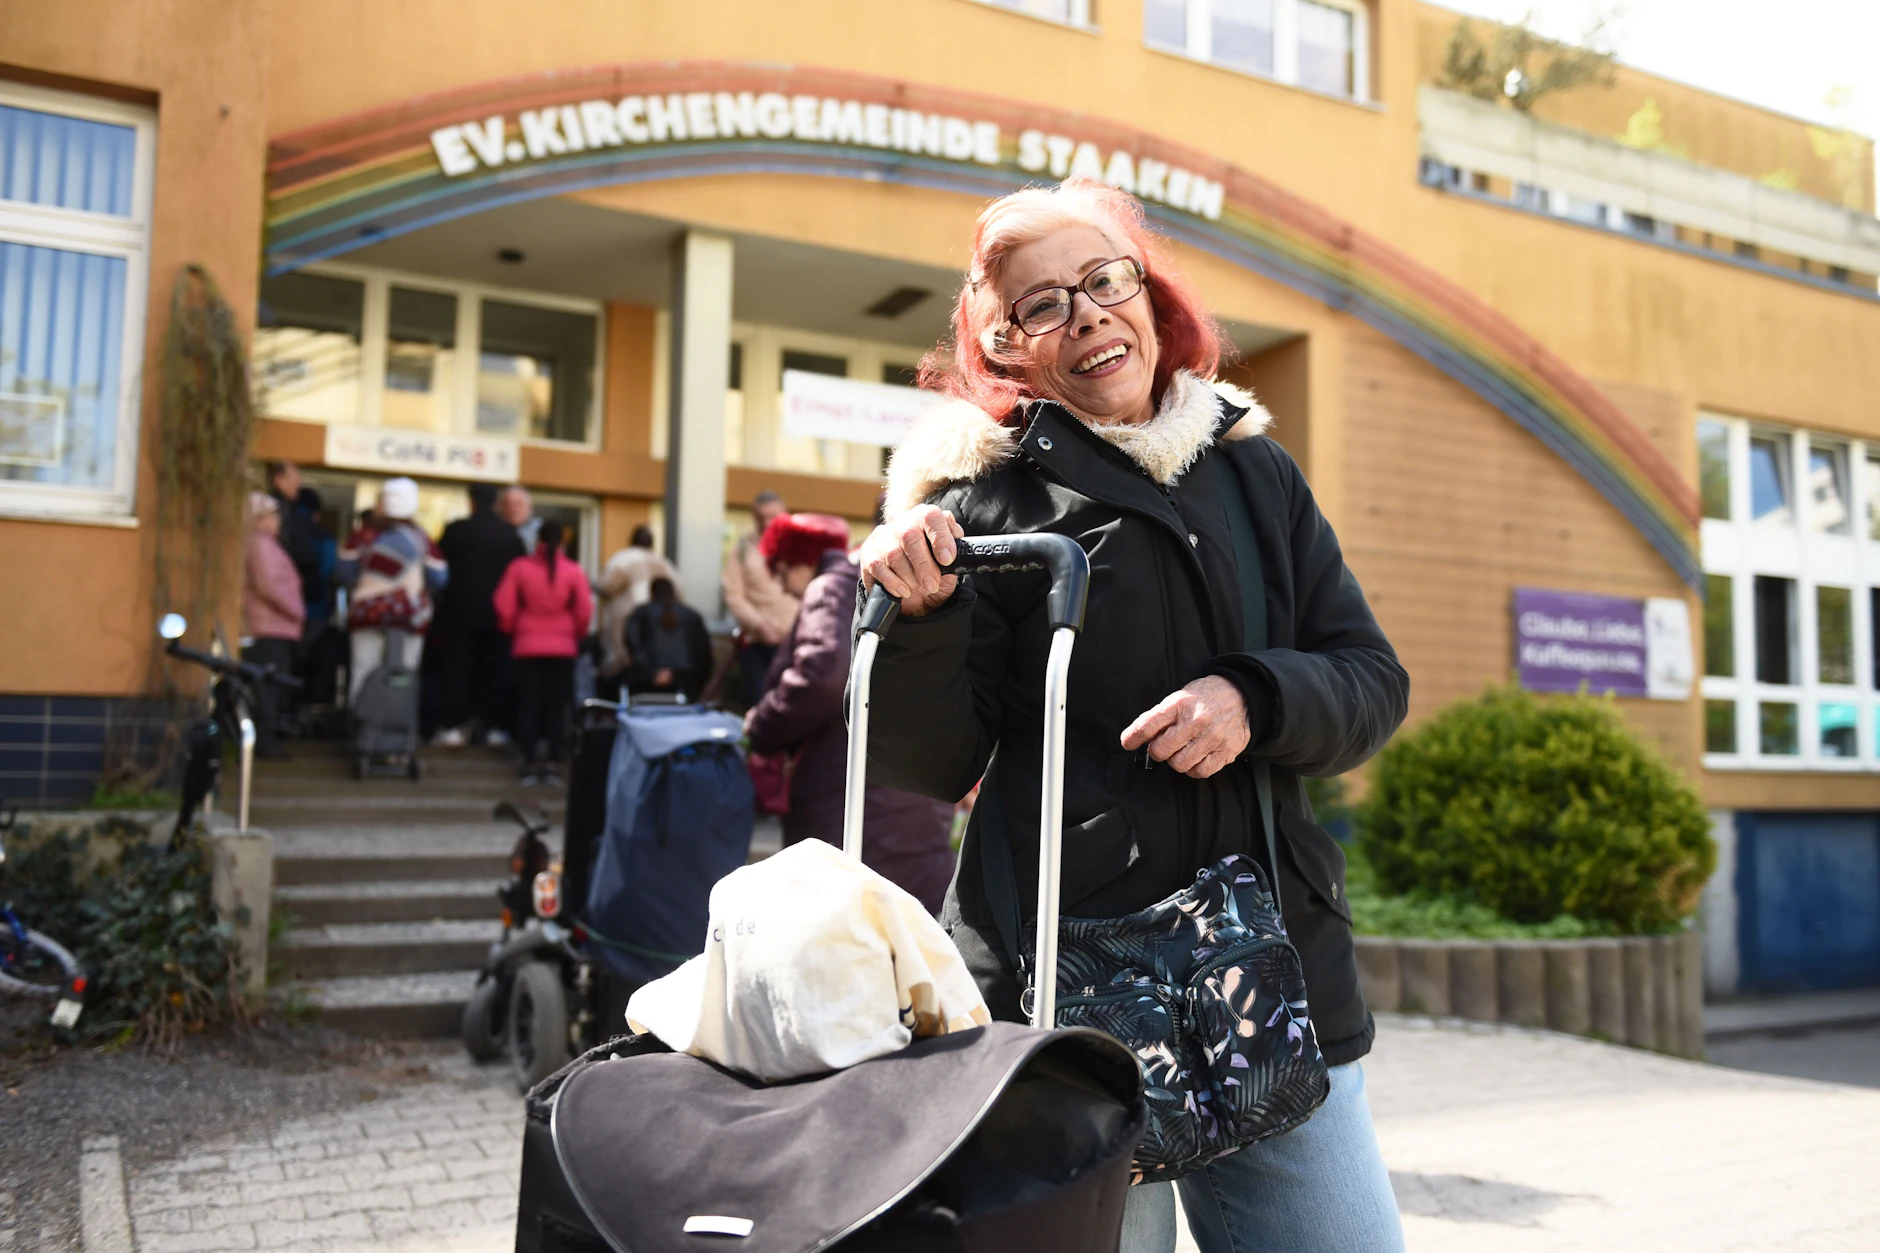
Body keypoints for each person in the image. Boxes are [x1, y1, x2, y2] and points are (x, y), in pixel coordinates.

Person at [855, 177, 1410, 1253]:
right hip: (1064, 1003)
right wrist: (911, 613)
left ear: (1149, 298)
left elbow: (1367, 677)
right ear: (1003, 346)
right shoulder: (973, 504)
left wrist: (1255, 694)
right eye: (1042, 304)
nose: (1088, 315)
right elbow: (928, 760)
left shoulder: (1256, 474)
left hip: (1267, 977)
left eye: (1104, 280)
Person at [744, 513, 955, 914]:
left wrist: (760, 726)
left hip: (846, 801)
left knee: (841, 946)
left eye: (779, 571)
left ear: (791, 561)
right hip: (915, 802)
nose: (779, 585)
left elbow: (821, 675)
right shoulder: (908, 588)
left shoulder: (830, 587)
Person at [493, 519, 593, 786]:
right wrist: (576, 633)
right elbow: (584, 610)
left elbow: (504, 605)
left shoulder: (520, 568)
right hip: (563, 646)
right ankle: (552, 759)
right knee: (557, 705)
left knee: (529, 702)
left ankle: (528, 758)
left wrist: (514, 627)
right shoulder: (573, 571)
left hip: (527, 645)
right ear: (563, 542)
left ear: (537, 540)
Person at [433, 482, 528, 747]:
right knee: (496, 673)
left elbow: (438, 571)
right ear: (496, 502)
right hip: (499, 617)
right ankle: (495, 729)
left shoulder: (456, 531)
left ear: (471, 501)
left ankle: (452, 728)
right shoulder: (510, 537)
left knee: (456, 671)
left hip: (459, 613)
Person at [337, 476, 448, 703]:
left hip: (366, 615)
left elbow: (342, 574)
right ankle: (398, 726)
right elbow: (439, 579)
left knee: (363, 671)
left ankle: (362, 726)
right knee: (404, 675)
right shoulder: (422, 540)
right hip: (409, 617)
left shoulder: (362, 537)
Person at [241, 491, 305, 759]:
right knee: (267, 687)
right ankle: (263, 742)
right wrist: (297, 611)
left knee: (268, 687)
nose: (278, 520)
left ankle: (263, 740)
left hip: (271, 625)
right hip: (269, 626)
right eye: (273, 515)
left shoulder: (260, 543)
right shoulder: (261, 545)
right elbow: (269, 585)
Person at [721, 490, 797, 707]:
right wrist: (758, 625)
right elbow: (733, 594)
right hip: (758, 644)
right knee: (761, 707)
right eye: (760, 518)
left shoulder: (800, 545)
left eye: (773, 516)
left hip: (796, 644)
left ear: (785, 514)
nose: (767, 523)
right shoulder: (743, 549)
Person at [595, 524, 679, 695]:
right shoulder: (666, 564)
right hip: (660, 635)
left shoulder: (622, 560)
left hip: (626, 626)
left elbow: (606, 586)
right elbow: (679, 593)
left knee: (623, 674)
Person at [623, 577, 713, 702]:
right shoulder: (692, 616)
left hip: (646, 684)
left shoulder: (640, 614)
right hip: (686, 682)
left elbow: (634, 646)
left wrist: (653, 672)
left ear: (651, 593)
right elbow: (704, 655)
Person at [265, 460, 321, 607]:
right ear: (279, 479)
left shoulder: (288, 509)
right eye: (295, 479)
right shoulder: (275, 508)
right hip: (279, 599)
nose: (299, 484)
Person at [499, 484, 542, 553]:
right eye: (508, 504)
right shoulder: (495, 529)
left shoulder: (540, 529)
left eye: (518, 504)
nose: (512, 509)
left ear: (529, 507)